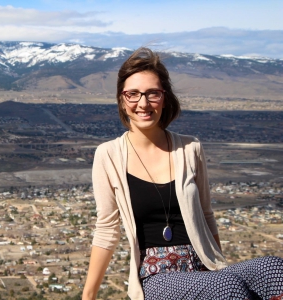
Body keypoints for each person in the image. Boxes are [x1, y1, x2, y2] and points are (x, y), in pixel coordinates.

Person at [82, 47, 283, 300]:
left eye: (152, 93)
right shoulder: (108, 155)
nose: (143, 103)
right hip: (157, 275)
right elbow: (106, 229)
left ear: (164, 98)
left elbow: (207, 215)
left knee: (273, 269)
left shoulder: (191, 148)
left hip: (204, 263)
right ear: (122, 99)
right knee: (226, 287)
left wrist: (220, 268)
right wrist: (88, 295)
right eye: (133, 94)